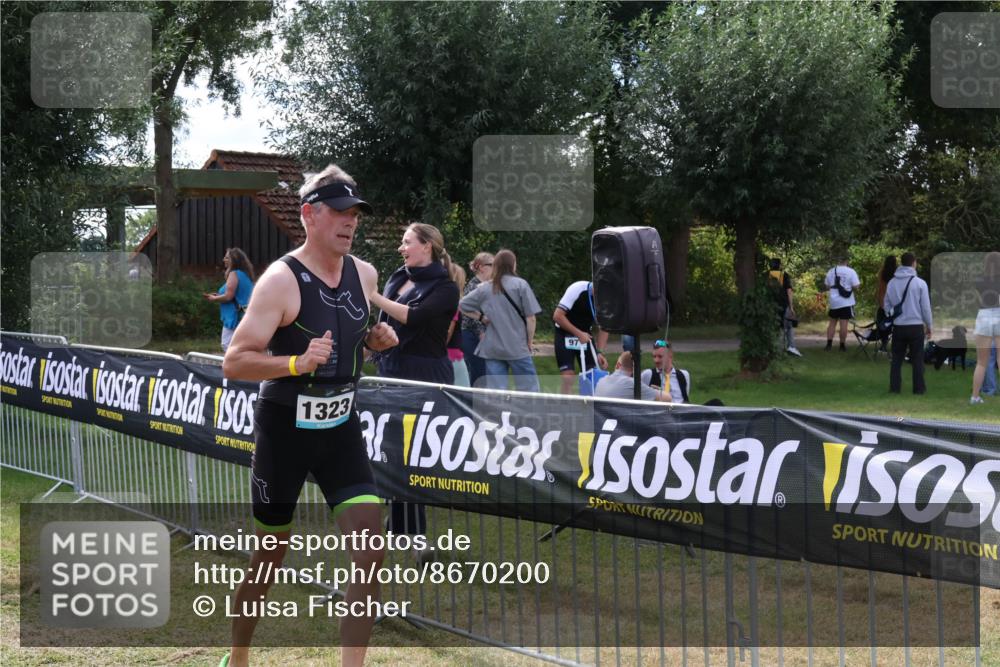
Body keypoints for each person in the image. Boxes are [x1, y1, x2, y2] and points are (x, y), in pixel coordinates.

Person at [221, 164, 398, 667]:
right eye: (339, 213)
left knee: (369, 543)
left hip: (340, 424)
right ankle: (237, 656)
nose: (350, 223)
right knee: (270, 554)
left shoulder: (365, 274)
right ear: (309, 216)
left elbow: (352, 334)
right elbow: (235, 361)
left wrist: (376, 339)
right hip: (285, 429)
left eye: (355, 215)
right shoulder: (280, 280)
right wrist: (296, 362)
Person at [369, 222, 459, 552]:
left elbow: (413, 318)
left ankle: (415, 535)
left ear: (428, 246)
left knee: (414, 456)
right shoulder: (396, 277)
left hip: (424, 377)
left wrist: (373, 293)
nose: (401, 247)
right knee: (392, 452)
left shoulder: (446, 287)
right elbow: (384, 320)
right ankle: (400, 525)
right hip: (390, 370)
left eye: (407, 242)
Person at [459, 249, 542, 392]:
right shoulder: (521, 285)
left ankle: (498, 414)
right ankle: (528, 414)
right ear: (513, 265)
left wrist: (481, 318)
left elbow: (461, 305)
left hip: (493, 347)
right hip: (517, 347)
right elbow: (531, 318)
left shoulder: (485, 288)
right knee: (529, 389)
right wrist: (529, 340)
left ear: (496, 265)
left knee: (496, 392)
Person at [884, 252, 932, 395]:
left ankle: (894, 388)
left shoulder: (892, 282)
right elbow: (925, 307)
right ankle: (918, 389)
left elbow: (886, 305)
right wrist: (929, 325)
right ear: (913, 263)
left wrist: (891, 315)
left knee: (896, 359)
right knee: (917, 359)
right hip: (916, 326)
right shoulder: (919, 283)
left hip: (898, 326)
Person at [553, 280, 609, 394]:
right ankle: (565, 408)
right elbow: (557, 316)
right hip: (564, 333)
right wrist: (578, 334)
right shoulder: (577, 289)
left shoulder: (607, 300)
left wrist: (600, 352)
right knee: (568, 377)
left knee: (593, 375)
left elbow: (604, 326)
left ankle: (591, 408)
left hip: (585, 335)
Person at [204, 247, 255, 352]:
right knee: (240, 345)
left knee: (227, 344)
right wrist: (218, 295)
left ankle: (235, 366)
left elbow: (229, 296)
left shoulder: (234, 273)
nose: (224, 259)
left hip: (235, 316)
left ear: (234, 260)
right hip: (244, 315)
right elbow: (236, 293)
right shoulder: (244, 274)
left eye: (227, 258)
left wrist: (214, 299)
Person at [460, 252, 493, 387]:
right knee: (478, 372)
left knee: (484, 373)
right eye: (492, 265)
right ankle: (474, 404)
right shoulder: (474, 285)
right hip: (470, 335)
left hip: (481, 336)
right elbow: (467, 312)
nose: (496, 268)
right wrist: (481, 333)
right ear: (481, 267)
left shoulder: (487, 285)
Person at [971, 252, 1000, 404]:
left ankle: (975, 397)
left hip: (984, 315)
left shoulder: (979, 280)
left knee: (981, 362)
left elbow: (979, 300)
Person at [596, 351, 670, 401]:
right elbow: (668, 398)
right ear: (635, 370)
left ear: (618, 365)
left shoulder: (601, 381)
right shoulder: (632, 384)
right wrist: (657, 390)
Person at [824, 256, 861, 351]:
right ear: (847, 261)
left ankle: (829, 344)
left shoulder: (831, 271)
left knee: (832, 323)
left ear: (838, 261)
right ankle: (842, 345)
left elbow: (827, 286)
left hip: (834, 301)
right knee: (843, 324)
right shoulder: (851, 271)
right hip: (846, 302)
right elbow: (856, 286)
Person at [767, 258, 801, 357]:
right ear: (779, 265)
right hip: (783, 304)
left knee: (774, 326)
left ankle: (774, 348)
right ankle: (790, 347)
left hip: (769, 305)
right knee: (787, 326)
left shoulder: (766, 275)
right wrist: (791, 307)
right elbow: (789, 291)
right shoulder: (784, 275)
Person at [447, 263, 470, 387]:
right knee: (463, 395)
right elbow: (448, 333)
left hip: (446, 355)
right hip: (452, 356)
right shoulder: (453, 303)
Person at [875, 255, 897, 324]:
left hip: (882, 298)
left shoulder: (882, 271)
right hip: (894, 300)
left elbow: (879, 285)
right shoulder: (897, 272)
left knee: (882, 324)